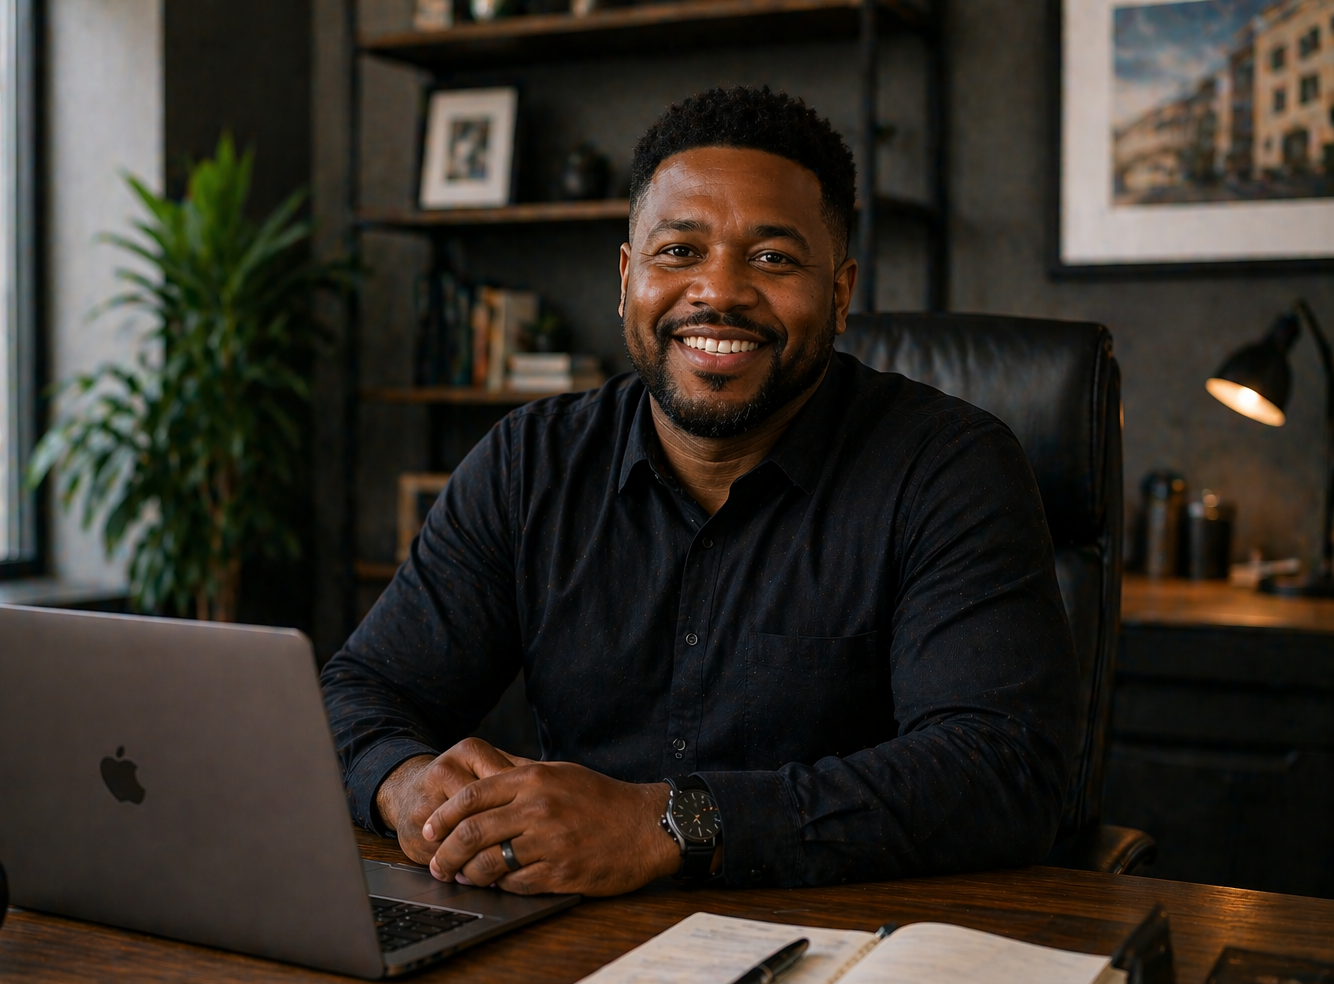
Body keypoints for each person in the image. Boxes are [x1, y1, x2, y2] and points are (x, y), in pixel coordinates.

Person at [321, 85, 1079, 897]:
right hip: (568, 932)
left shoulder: (949, 467)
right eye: (679, 250)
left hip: (849, 939)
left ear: (840, 293)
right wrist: (401, 782)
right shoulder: (529, 463)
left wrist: (667, 825)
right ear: (627, 279)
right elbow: (359, 694)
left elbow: (1001, 769)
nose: (718, 291)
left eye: (772, 258)